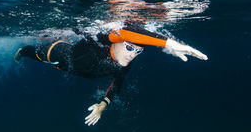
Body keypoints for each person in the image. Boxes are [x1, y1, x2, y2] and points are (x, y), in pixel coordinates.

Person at [14, 24, 207, 126]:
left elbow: (117, 85)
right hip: (58, 53)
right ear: (117, 42)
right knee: (37, 54)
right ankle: (23, 50)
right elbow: (125, 32)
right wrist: (171, 44)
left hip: (71, 68)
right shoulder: (99, 42)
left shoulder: (124, 64)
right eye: (130, 47)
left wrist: (103, 105)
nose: (133, 53)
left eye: (138, 51)